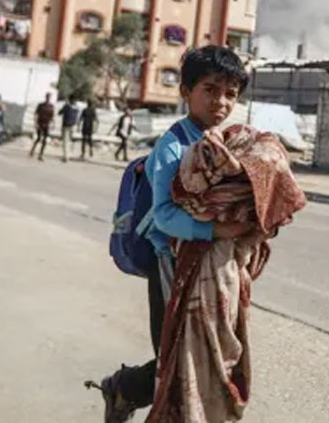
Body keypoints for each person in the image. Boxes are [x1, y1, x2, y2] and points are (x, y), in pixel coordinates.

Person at [95, 46, 256, 423]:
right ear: (186, 91)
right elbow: (166, 217)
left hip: (208, 268)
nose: (221, 102)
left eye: (230, 93)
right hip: (170, 266)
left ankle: (124, 389)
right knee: (177, 361)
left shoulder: (222, 141)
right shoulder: (173, 146)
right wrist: (216, 229)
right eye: (210, 89)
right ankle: (122, 387)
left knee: (200, 358)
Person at [30, 93, 55, 161]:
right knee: (38, 138)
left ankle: (41, 155)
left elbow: (52, 116)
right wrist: (36, 123)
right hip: (40, 123)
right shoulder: (41, 105)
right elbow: (36, 114)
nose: (48, 98)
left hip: (46, 124)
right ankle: (32, 150)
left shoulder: (51, 106)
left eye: (49, 97)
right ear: (45, 97)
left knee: (45, 140)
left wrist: (53, 124)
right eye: (47, 97)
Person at [59, 97, 80, 163]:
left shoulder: (66, 107)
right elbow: (77, 116)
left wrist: (65, 105)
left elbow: (59, 113)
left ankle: (66, 156)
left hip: (66, 126)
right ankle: (69, 155)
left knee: (65, 142)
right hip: (73, 126)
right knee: (71, 141)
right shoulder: (76, 108)